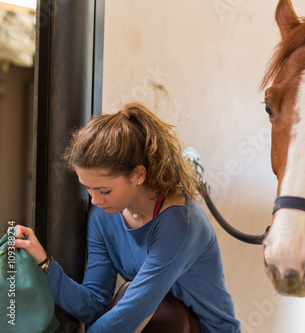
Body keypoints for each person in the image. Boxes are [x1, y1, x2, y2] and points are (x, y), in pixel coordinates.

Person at [15, 103, 241, 333]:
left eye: (104, 191)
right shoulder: (103, 217)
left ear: (138, 175)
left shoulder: (180, 224)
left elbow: (131, 313)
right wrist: (44, 263)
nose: (94, 201)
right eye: (88, 189)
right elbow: (94, 306)